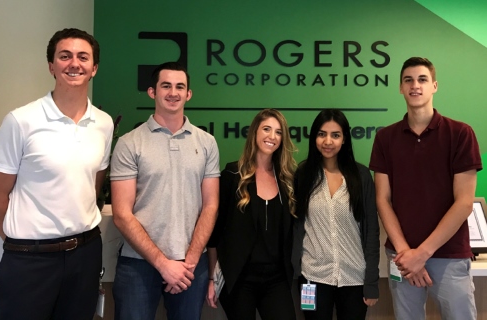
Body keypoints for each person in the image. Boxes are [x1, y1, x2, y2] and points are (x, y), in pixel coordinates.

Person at [0, 28, 113, 320]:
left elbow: (93, 185)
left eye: (83, 57)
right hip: (30, 260)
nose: (74, 64)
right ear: (51, 66)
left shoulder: (104, 124)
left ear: (94, 68)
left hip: (85, 254)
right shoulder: (21, 121)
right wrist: (24, 244)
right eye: (65, 56)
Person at [370, 57, 482, 320]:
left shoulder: (460, 134)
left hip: (449, 256)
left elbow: (464, 203)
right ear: (400, 88)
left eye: (422, 79)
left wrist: (422, 253)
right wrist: (406, 254)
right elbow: (382, 200)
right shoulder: (385, 138)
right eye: (408, 80)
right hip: (402, 257)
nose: (415, 85)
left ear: (434, 85)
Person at [110, 61, 220, 320]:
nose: (173, 92)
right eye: (166, 86)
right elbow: (121, 214)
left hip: (191, 264)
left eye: (180, 86)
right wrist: (163, 264)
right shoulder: (129, 143)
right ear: (152, 92)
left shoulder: (206, 143)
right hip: (138, 264)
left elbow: (211, 205)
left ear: (189, 94)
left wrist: (189, 262)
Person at [206, 109, 297, 320]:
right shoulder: (232, 175)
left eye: (278, 132)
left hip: (276, 279)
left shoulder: (287, 180)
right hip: (239, 279)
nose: (271, 136)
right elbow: (216, 231)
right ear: (254, 132)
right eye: (266, 129)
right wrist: (212, 278)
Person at [292, 109, 380, 320]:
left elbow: (371, 231)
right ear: (314, 137)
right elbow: (296, 227)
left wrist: (371, 282)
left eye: (335, 135)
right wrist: (295, 273)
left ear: (345, 139)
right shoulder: (303, 174)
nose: (328, 141)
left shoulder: (361, 175)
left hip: (354, 277)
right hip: (312, 277)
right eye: (322, 134)